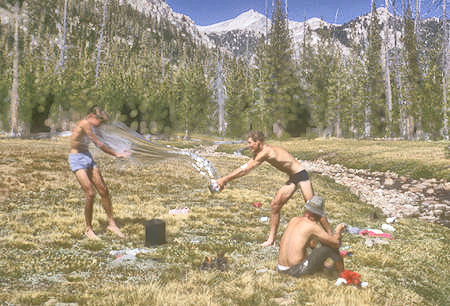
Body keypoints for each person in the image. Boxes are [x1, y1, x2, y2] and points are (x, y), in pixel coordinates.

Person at [216, 131, 331, 246]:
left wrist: (224, 180)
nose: (248, 145)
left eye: (250, 143)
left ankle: (331, 237)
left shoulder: (266, 152)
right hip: (293, 178)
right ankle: (271, 240)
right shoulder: (260, 152)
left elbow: (245, 170)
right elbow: (245, 167)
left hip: (301, 176)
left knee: (314, 209)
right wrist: (225, 179)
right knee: (275, 206)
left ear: (258, 142)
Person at [68, 105, 129, 240]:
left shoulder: (94, 126)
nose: (102, 123)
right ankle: (88, 229)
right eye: (100, 120)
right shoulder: (84, 124)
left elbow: (105, 140)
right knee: (90, 193)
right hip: (76, 159)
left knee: (104, 190)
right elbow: (98, 143)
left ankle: (111, 224)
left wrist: (121, 149)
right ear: (91, 116)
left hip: (87, 156)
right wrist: (116, 154)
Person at [277, 196, 346, 277]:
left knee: (318, 249)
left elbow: (308, 244)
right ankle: (343, 275)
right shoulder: (312, 226)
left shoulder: (294, 220)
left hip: (280, 268)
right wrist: (338, 230)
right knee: (330, 248)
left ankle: (335, 272)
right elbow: (336, 243)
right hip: (295, 271)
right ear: (317, 215)